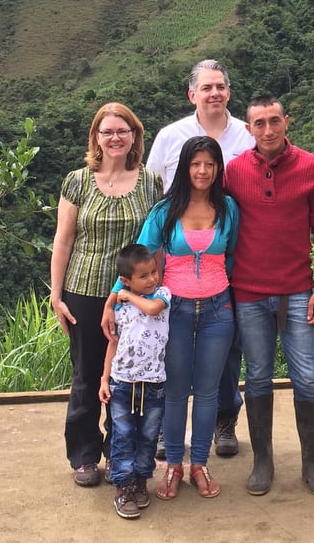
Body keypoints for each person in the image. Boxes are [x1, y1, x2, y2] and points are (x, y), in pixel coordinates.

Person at [108, 136, 239, 500]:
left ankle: (200, 464)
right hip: (173, 311)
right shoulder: (165, 210)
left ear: (217, 169)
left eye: (209, 164)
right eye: (195, 163)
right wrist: (113, 301)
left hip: (218, 309)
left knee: (209, 391)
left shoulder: (228, 208)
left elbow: (232, 258)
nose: (202, 171)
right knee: (177, 391)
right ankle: (174, 467)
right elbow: (136, 262)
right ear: (184, 167)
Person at [223, 95, 314, 498]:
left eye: (274, 121)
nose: (268, 130)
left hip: (298, 291)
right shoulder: (234, 171)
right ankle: (263, 461)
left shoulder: (311, 166)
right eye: (259, 123)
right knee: (256, 376)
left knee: (307, 377)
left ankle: (312, 464)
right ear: (249, 127)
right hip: (249, 294)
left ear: (287, 121)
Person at [51, 103, 163, 487]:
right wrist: (56, 294)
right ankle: (84, 455)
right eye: (107, 131)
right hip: (83, 291)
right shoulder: (78, 180)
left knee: (127, 377)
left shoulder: (150, 182)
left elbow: (156, 244)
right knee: (86, 375)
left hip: (132, 298)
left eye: (123, 130)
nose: (115, 138)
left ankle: (121, 449)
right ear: (95, 138)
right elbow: (63, 241)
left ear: (135, 135)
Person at [147, 59, 254, 457]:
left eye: (221, 86)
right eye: (206, 87)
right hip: (175, 266)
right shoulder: (171, 136)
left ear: (229, 91)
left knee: (227, 353)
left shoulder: (247, 135)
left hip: (230, 256)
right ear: (192, 93)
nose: (214, 93)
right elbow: (155, 191)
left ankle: (225, 419)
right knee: (169, 360)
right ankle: (165, 432)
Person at [99, 245, 171, 519]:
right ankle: (123, 486)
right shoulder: (120, 309)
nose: (152, 279)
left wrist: (125, 294)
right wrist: (104, 380)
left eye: (154, 271)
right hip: (122, 385)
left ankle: (141, 480)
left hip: (153, 384)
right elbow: (113, 345)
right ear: (126, 279)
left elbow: (153, 309)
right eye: (144, 275)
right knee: (122, 437)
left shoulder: (163, 294)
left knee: (148, 436)